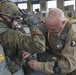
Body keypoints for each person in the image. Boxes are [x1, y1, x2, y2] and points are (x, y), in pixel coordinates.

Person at [25, 8, 76, 75]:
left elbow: (69, 65)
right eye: (47, 27)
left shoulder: (73, 33)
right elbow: (38, 40)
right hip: (57, 55)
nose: (49, 31)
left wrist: (40, 66)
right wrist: (30, 51)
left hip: (71, 63)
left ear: (63, 22)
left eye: (53, 29)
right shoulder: (47, 26)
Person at [0, 1, 45, 75]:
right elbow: (40, 46)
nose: (16, 21)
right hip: (14, 70)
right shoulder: (12, 35)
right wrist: (31, 22)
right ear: (7, 17)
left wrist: (16, 27)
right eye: (14, 19)